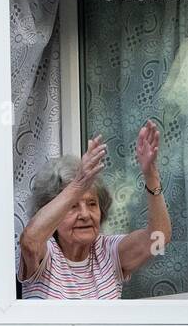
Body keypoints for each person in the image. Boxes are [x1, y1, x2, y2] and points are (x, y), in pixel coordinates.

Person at [19, 120, 172, 299]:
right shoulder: (47, 253)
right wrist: (77, 186)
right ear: (54, 212)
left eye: (92, 204)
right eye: (72, 206)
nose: (85, 215)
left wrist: (151, 174)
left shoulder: (108, 252)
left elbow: (159, 239)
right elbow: (29, 241)